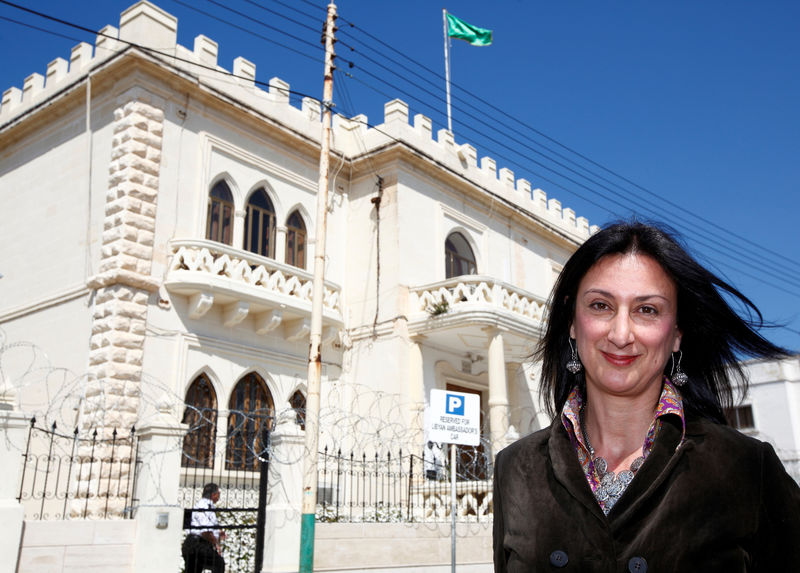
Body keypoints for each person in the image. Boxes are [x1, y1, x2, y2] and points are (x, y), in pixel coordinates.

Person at [493, 222, 800, 572]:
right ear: (573, 322)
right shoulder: (515, 468)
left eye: (647, 310)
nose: (621, 333)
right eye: (600, 305)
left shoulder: (746, 467)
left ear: (677, 333)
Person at [182, 482, 226, 573]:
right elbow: (205, 531)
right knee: (219, 563)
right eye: (219, 493)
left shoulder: (204, 505)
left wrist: (218, 533)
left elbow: (206, 526)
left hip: (191, 544)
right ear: (213, 495)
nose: (219, 496)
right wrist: (216, 543)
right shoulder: (206, 506)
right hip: (198, 545)